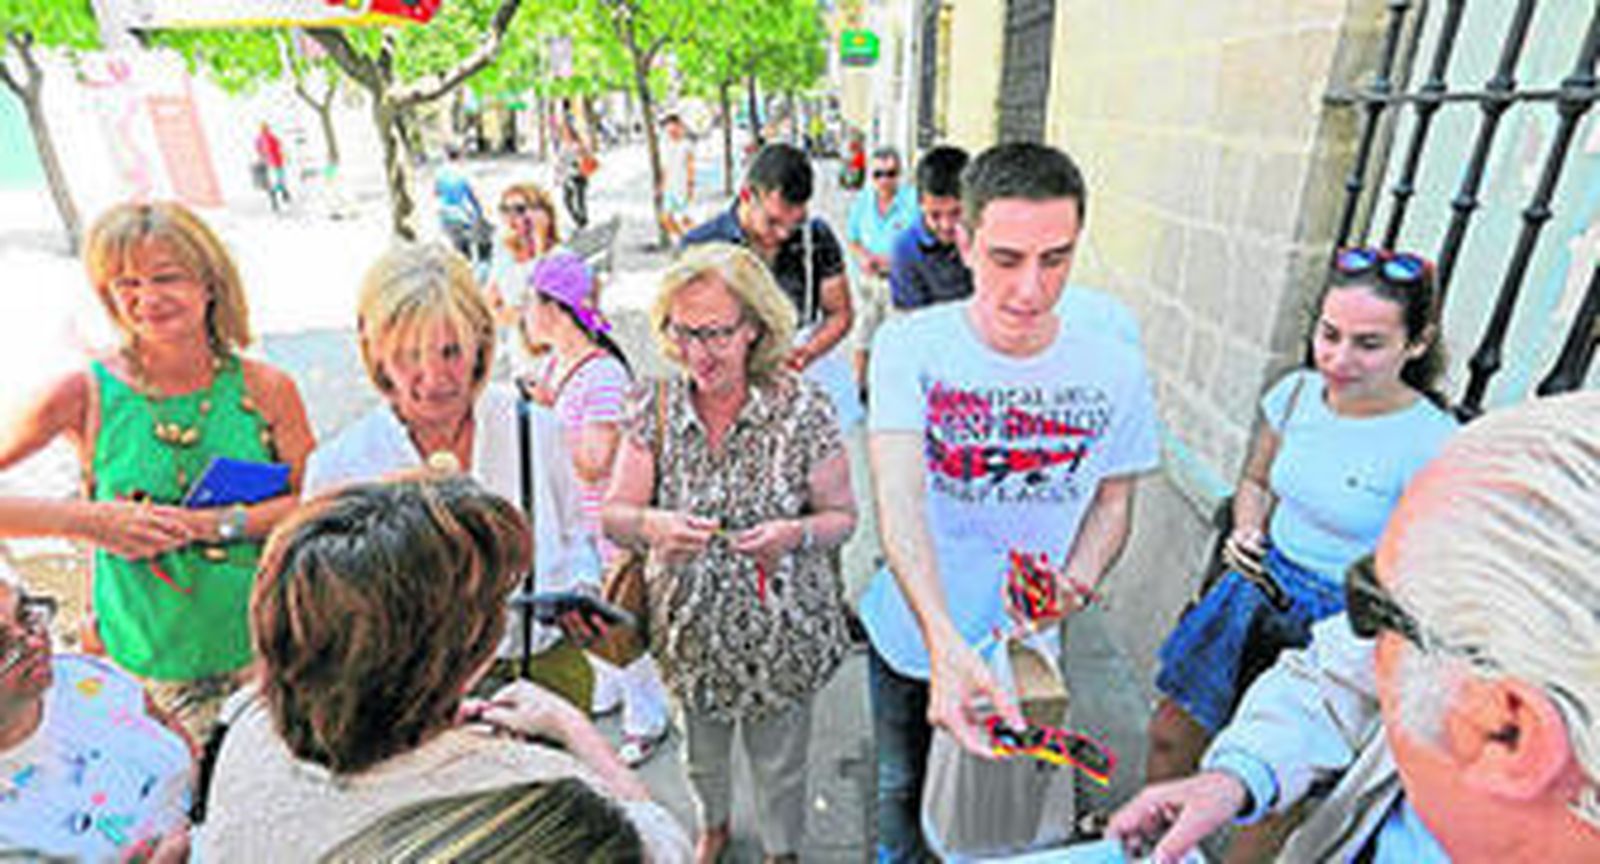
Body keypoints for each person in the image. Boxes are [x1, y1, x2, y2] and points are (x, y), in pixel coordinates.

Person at [1109, 391, 1600, 864]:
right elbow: (1337, 677)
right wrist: (1238, 775)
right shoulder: (1466, 670)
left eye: (1371, 603)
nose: (1354, 632)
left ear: (1503, 732)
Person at [858, 142, 1160, 861]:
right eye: (1006, 259)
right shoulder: (911, 347)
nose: (1031, 288)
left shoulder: (1114, 360)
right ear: (963, 242)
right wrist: (941, 641)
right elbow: (897, 502)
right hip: (911, 638)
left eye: (1055, 259)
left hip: (1027, 652)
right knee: (901, 790)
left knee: (1007, 816)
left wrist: (1076, 583)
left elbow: (1114, 504)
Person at [1143, 246, 1457, 857]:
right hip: (1254, 590)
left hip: (1342, 623)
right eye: (1329, 335)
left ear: (1416, 345)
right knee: (1170, 736)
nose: (1338, 359)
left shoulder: (1433, 443)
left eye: (1368, 344)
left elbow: (1428, 568)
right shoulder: (1294, 395)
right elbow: (1256, 481)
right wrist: (1247, 528)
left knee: (1275, 799)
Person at [196, 474, 691, 860]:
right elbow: (664, 846)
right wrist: (573, 727)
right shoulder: (541, 796)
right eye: (496, 603)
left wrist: (430, 726)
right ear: (467, 655)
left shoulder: (242, 723)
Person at [0, 202, 314, 741]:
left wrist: (210, 525)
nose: (148, 299)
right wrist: (87, 521)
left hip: (270, 650)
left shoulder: (266, 388)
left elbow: (313, 504)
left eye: (167, 277)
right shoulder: (84, 393)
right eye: (127, 283)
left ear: (210, 282)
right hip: (148, 667)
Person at [602, 242, 858, 864]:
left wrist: (791, 534)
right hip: (689, 639)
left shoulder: (803, 408)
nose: (698, 353)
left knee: (782, 767)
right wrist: (655, 525)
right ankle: (713, 828)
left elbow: (843, 519)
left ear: (754, 329)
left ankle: (780, 850)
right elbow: (614, 516)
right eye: (682, 331)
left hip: (783, 637)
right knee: (702, 760)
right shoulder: (652, 406)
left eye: (715, 333)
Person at [302, 242, 600, 710]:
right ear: (375, 354)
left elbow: (576, 533)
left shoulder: (535, 428)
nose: (435, 377)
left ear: (481, 341)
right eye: (408, 356)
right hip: (414, 704)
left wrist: (581, 593)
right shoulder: (341, 467)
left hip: (544, 676)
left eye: (450, 351)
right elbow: (327, 616)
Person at [517, 251, 672, 767]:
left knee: (621, 624)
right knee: (591, 618)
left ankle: (647, 718)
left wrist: (542, 416)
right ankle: (609, 691)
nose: (523, 313)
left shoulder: (601, 375)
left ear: (555, 308)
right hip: (574, 522)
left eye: (530, 302)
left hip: (607, 522)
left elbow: (594, 460)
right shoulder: (557, 364)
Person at [0, 565, 193, 862]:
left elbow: (162, 722)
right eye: (2, 646)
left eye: (26, 615)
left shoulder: (83, 677)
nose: (36, 643)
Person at [681, 142, 858, 428]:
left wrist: (808, 352)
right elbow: (682, 336)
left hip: (800, 402)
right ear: (746, 195)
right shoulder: (702, 247)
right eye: (773, 221)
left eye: (795, 222)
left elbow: (840, 314)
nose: (784, 233)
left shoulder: (816, 237)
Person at [845, 146, 919, 389]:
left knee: (898, 340)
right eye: (878, 174)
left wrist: (895, 259)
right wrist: (863, 256)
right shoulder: (863, 201)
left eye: (890, 173)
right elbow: (853, 238)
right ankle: (860, 387)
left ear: (900, 174)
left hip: (900, 283)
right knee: (862, 337)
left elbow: (922, 240)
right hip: (868, 283)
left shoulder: (913, 202)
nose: (884, 180)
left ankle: (896, 390)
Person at [889, 145, 973, 310]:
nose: (947, 225)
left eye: (957, 213)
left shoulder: (988, 236)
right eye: (935, 215)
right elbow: (913, 321)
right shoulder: (905, 248)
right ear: (920, 203)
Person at [482, 182, 562, 320]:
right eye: (504, 209)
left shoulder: (559, 258)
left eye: (519, 209)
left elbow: (542, 311)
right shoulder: (504, 249)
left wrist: (540, 240)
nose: (510, 216)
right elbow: (489, 299)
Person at [434, 147, 488, 266]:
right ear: (461, 156)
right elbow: (475, 194)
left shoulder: (440, 174)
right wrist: (483, 212)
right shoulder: (464, 173)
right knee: (470, 251)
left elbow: (436, 194)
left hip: (446, 216)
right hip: (464, 216)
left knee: (457, 250)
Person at [658, 113, 697, 245]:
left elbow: (690, 166)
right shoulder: (666, 145)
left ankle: (698, 240)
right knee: (665, 218)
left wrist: (690, 185)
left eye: (674, 127)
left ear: (680, 127)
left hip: (681, 186)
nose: (671, 131)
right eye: (669, 129)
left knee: (685, 218)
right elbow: (665, 168)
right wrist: (662, 186)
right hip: (669, 187)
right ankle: (686, 240)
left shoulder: (686, 145)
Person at [557, 117, 593, 230]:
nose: (564, 133)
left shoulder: (578, 144)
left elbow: (585, 158)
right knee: (567, 200)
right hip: (567, 177)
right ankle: (579, 219)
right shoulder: (563, 145)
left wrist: (578, 160)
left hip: (578, 176)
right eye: (563, 131)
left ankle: (582, 221)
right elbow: (561, 162)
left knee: (579, 200)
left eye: (566, 131)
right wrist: (558, 176)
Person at [254, 122, 289, 212]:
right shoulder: (268, 138)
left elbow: (260, 151)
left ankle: (280, 196)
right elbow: (278, 146)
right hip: (274, 163)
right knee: (278, 180)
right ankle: (281, 195)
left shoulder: (262, 139)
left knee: (276, 180)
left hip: (272, 163)